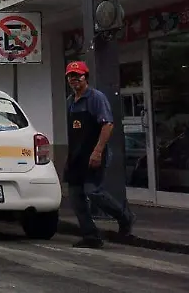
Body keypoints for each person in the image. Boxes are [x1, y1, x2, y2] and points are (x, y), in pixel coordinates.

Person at [65, 60, 135, 248]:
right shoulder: (70, 102)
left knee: (92, 191)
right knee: (76, 197)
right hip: (76, 156)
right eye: (71, 76)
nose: (74, 79)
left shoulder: (96, 98)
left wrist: (97, 151)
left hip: (94, 154)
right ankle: (91, 236)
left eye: (78, 76)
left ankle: (124, 216)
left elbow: (107, 125)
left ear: (85, 77)